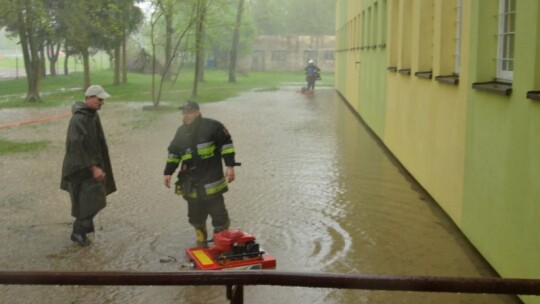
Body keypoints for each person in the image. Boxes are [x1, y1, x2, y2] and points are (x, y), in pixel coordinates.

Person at [163, 101, 238, 245]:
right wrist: (168, 172)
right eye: (184, 112)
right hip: (191, 183)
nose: (185, 115)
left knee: (219, 216)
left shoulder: (213, 126)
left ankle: (221, 242)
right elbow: (174, 153)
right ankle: (201, 241)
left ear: (197, 112)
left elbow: (226, 145)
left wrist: (230, 165)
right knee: (195, 217)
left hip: (212, 181)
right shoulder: (181, 131)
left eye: (189, 112)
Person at [60, 85, 116, 247]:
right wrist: (93, 167)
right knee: (90, 200)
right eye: (99, 100)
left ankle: (85, 226)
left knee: (96, 198)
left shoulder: (93, 115)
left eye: (102, 100)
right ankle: (78, 231)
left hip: (94, 166)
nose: (102, 103)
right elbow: (76, 147)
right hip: (81, 169)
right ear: (89, 98)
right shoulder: (78, 120)